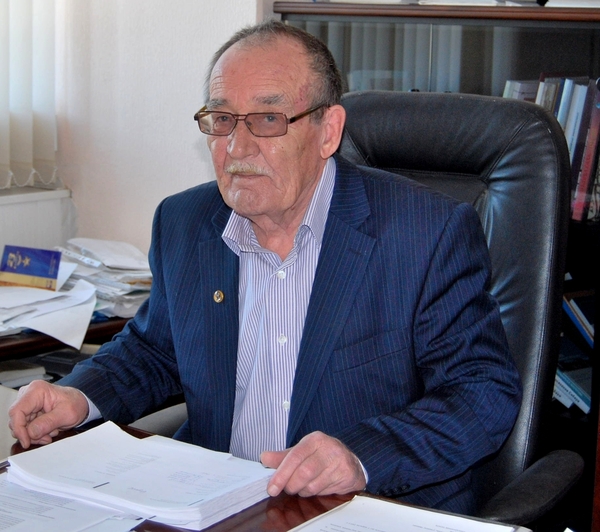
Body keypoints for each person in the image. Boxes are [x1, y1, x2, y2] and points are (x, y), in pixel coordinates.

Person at [8, 20, 521, 515]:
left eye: (268, 120)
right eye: (222, 120)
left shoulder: (426, 233)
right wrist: (80, 395)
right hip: (215, 504)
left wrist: (362, 456)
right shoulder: (185, 223)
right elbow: (155, 349)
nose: (237, 147)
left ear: (328, 132)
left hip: (362, 509)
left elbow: (481, 392)